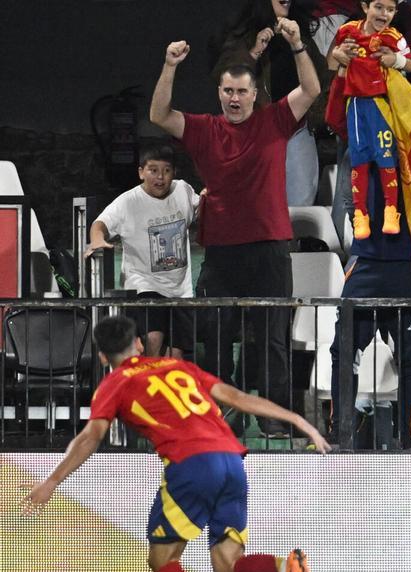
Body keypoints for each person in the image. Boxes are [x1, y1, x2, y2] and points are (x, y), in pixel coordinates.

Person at [20, 315, 331, 572]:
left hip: (192, 465)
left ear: (103, 356)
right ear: (139, 343)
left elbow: (92, 436)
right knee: (228, 566)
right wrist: (298, 419)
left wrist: (51, 481)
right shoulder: (179, 367)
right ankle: (286, 566)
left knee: (162, 559)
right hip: (232, 462)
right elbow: (237, 397)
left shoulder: (115, 383)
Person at [150, 32, 320, 437]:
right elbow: (159, 114)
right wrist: (170, 66)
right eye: (228, 91)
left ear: (254, 93)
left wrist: (298, 46)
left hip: (269, 248)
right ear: (219, 93)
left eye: (242, 91)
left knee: (272, 338)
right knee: (215, 336)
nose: (235, 98)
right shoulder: (204, 129)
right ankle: (224, 413)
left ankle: (274, 418)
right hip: (221, 252)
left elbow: (312, 89)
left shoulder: (275, 120)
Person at [328, 161, 411, 449]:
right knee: (343, 352)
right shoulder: (359, 147)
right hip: (367, 262)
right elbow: (349, 199)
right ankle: (340, 436)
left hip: (406, 266)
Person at [84, 144, 199, 359]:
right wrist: (97, 240)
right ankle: (145, 379)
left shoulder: (183, 190)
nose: (160, 177)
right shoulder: (128, 202)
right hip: (144, 285)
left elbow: (202, 208)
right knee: (152, 339)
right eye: (153, 170)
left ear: (174, 172)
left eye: (166, 170)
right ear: (141, 172)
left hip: (180, 289)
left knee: (175, 355)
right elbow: (100, 224)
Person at [210, 0, 326, 207]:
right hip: (255, 133)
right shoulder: (244, 35)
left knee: (299, 208)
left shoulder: (299, 34)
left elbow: (319, 83)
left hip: (296, 130)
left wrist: (298, 45)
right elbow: (224, 79)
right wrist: (254, 52)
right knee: (253, 206)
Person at [332, 0, 411, 240]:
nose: (384, 14)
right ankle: (360, 215)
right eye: (379, 7)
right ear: (365, 6)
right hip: (356, 105)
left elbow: (410, 64)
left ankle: (391, 211)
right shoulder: (347, 31)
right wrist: (338, 54)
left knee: (385, 157)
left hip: (382, 105)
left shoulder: (394, 37)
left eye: (390, 10)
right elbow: (333, 59)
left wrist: (396, 61)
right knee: (359, 160)